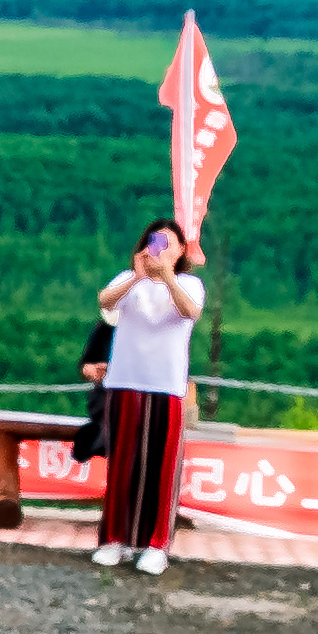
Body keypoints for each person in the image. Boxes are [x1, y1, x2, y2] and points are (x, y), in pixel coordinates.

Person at [90, 220, 206, 576]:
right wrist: (139, 276)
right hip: (125, 382)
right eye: (154, 243)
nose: (159, 250)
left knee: (161, 466)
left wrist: (167, 276)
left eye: (168, 244)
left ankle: (157, 545)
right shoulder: (128, 281)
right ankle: (115, 539)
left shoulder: (189, 283)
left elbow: (190, 312)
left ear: (181, 252)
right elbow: (105, 302)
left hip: (166, 386)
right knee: (122, 464)